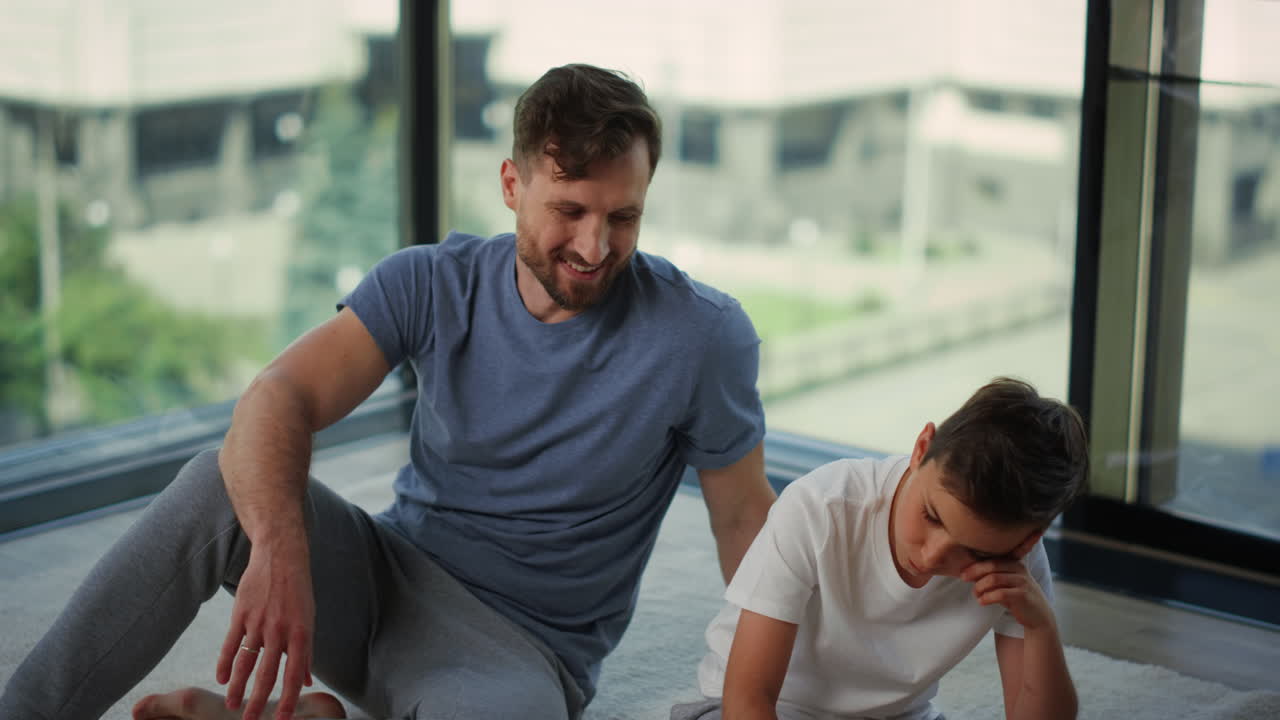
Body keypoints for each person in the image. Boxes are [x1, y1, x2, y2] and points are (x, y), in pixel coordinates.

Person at [0, 63, 776, 720]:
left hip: (518, 653)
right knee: (217, 481)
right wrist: (280, 546)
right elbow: (277, 395)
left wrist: (778, 689)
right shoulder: (430, 282)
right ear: (512, 186)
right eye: (569, 210)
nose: (594, 245)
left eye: (623, 217)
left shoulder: (701, 336)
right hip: (383, 579)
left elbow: (747, 521)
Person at [673, 377, 1088, 720]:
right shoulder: (821, 508)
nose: (931, 556)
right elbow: (749, 697)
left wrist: (1040, 627)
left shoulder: (1017, 567)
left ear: (1025, 542)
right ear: (921, 448)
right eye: (931, 516)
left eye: (974, 552)